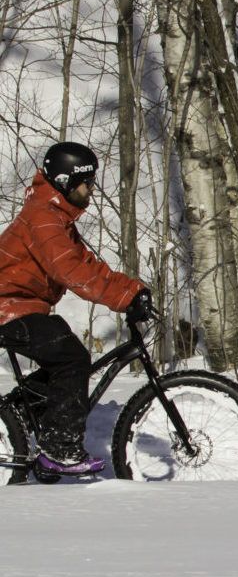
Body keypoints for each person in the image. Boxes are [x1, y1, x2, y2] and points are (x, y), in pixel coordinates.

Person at [0, 141, 153, 475]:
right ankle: (58, 448)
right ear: (66, 181)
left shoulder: (56, 217)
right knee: (72, 358)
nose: (92, 189)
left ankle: (25, 419)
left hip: (21, 306)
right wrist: (122, 299)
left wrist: (133, 290)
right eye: (87, 182)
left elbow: (87, 264)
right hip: (7, 306)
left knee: (63, 355)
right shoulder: (43, 218)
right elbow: (70, 271)